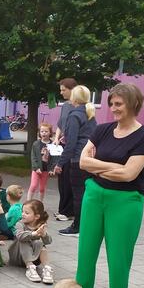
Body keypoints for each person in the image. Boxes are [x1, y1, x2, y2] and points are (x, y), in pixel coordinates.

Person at [77, 83, 144, 288]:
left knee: (119, 256)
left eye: (118, 104)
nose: (113, 108)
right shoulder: (102, 130)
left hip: (125, 201)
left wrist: (97, 164)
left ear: (133, 104)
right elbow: (82, 162)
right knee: (86, 251)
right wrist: (113, 169)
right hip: (94, 195)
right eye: (111, 103)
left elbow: (130, 174)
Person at [55, 86, 97, 237]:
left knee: (78, 194)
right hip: (90, 158)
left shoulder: (74, 115)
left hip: (78, 160)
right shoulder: (89, 113)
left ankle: (77, 227)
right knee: (86, 193)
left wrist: (60, 163)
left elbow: (71, 143)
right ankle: (86, 224)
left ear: (74, 98)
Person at [53, 77, 77, 221]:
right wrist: (56, 138)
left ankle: (69, 211)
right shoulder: (66, 105)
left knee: (69, 178)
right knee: (61, 178)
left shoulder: (81, 107)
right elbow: (61, 124)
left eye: (63, 90)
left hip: (72, 147)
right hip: (63, 144)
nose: (61, 93)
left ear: (72, 90)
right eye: (60, 90)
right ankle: (62, 209)